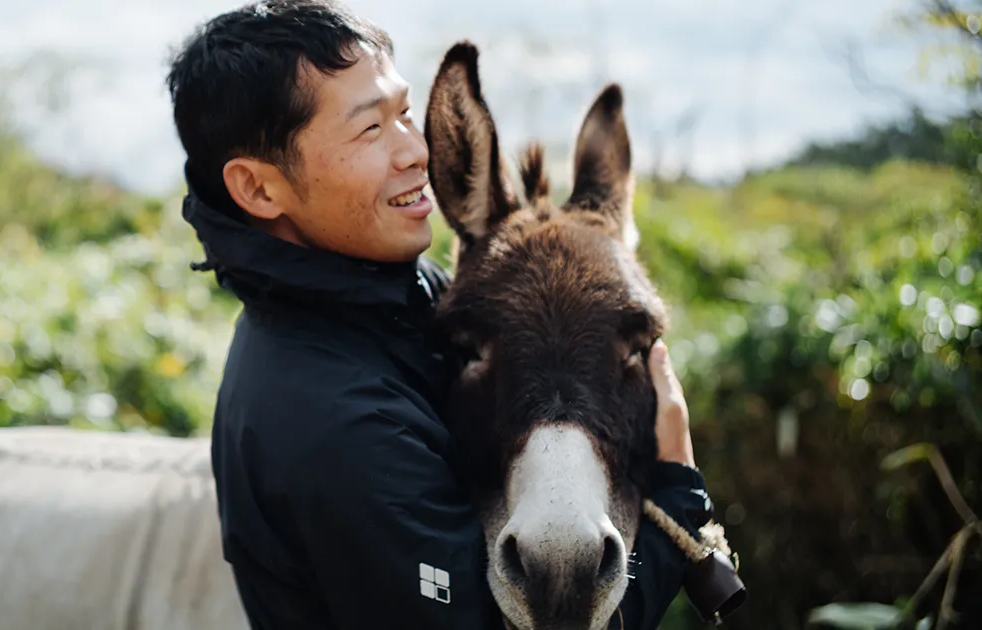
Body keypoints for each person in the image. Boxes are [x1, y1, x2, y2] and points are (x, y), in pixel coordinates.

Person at [166, 1, 715, 628]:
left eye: (404, 114)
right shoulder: (335, 422)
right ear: (260, 188)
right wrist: (679, 493)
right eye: (369, 129)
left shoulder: (387, 300)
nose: (417, 153)